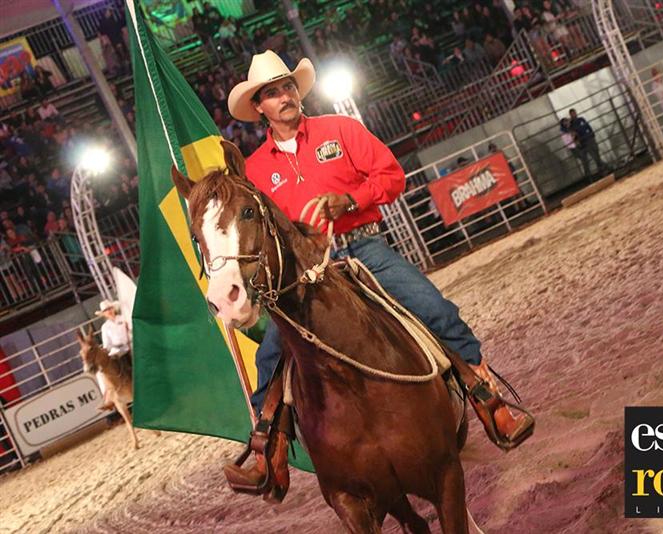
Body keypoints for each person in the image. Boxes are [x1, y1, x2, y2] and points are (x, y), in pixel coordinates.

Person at [225, 50, 535, 487]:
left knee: (433, 307)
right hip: (305, 272)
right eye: (273, 93)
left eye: (288, 87)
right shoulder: (256, 170)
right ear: (259, 107)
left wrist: (350, 201)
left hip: (360, 248)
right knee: (271, 353)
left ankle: (489, 400)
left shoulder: (340, 129)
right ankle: (268, 451)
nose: (285, 96)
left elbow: (392, 176)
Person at [95, 300, 131, 410]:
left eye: (110, 309)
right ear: (104, 314)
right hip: (115, 350)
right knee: (100, 372)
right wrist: (109, 351)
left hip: (129, 345)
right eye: (106, 310)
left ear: (113, 309)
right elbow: (107, 344)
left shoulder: (123, 318)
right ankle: (107, 397)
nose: (109, 311)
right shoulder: (105, 327)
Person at [569, 108, 609, 178]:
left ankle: (603, 168)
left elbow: (588, 126)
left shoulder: (581, 119)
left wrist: (592, 134)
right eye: (572, 113)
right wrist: (578, 142)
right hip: (583, 142)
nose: (574, 114)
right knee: (591, 158)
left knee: (596, 154)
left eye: (574, 113)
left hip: (589, 138)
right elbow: (573, 135)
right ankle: (601, 170)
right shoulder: (571, 125)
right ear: (570, 115)